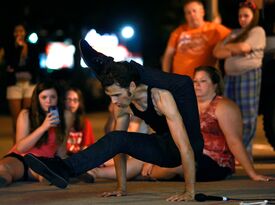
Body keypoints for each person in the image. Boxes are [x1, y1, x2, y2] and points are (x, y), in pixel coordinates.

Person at [24, 39, 204, 202]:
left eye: (117, 95)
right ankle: (63, 168)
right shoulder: (124, 103)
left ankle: (104, 62)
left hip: (188, 147)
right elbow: (117, 143)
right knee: (116, 136)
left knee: (184, 83)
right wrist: (121, 187)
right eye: (110, 96)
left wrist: (189, 191)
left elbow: (186, 148)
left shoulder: (161, 96)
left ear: (132, 87)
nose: (114, 102)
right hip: (163, 147)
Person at [139, 66, 274, 183]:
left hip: (214, 162)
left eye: (203, 81)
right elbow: (169, 133)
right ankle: (127, 177)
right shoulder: (185, 104)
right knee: (139, 158)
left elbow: (234, 141)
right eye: (195, 81)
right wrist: (152, 158)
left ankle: (144, 175)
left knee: (173, 166)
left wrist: (252, 173)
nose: (197, 84)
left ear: (215, 84)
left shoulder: (224, 106)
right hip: (184, 152)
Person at [213, 0, 266, 156]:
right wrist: (234, 49)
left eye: (246, 16)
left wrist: (229, 49)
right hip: (231, 77)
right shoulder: (234, 33)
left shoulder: (257, 31)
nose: (242, 19)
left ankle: (244, 152)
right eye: (240, 16)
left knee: (247, 115)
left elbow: (244, 47)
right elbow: (216, 52)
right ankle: (233, 151)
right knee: (229, 114)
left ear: (253, 16)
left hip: (248, 76)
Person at [0, 80, 66, 187]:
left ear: (58, 98)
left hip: (43, 163)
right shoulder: (26, 114)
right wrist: (44, 127)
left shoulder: (62, 117)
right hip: (21, 159)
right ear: (37, 98)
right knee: (3, 169)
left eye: (53, 97)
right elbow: (21, 148)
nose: (48, 101)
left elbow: (61, 152)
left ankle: (49, 177)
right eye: (44, 97)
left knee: (47, 173)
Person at [162, 0, 231, 78]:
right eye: (188, 12)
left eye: (194, 11)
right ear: (185, 16)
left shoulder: (214, 29)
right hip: (179, 80)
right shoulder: (178, 32)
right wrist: (166, 77)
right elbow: (168, 56)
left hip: (202, 81)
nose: (192, 14)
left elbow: (236, 36)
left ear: (202, 12)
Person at [4, 23, 40, 141]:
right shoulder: (9, 47)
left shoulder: (32, 47)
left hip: (29, 85)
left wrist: (16, 68)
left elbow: (34, 66)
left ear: (25, 33)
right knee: (16, 119)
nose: (19, 33)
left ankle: (26, 147)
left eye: (21, 31)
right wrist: (19, 49)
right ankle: (15, 148)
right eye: (16, 31)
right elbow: (10, 65)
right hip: (14, 85)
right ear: (13, 34)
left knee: (26, 117)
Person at [64, 87, 95, 155]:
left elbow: (86, 147)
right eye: (69, 100)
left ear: (79, 103)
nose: (72, 103)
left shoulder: (85, 122)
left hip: (80, 158)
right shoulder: (57, 122)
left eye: (75, 100)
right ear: (63, 101)